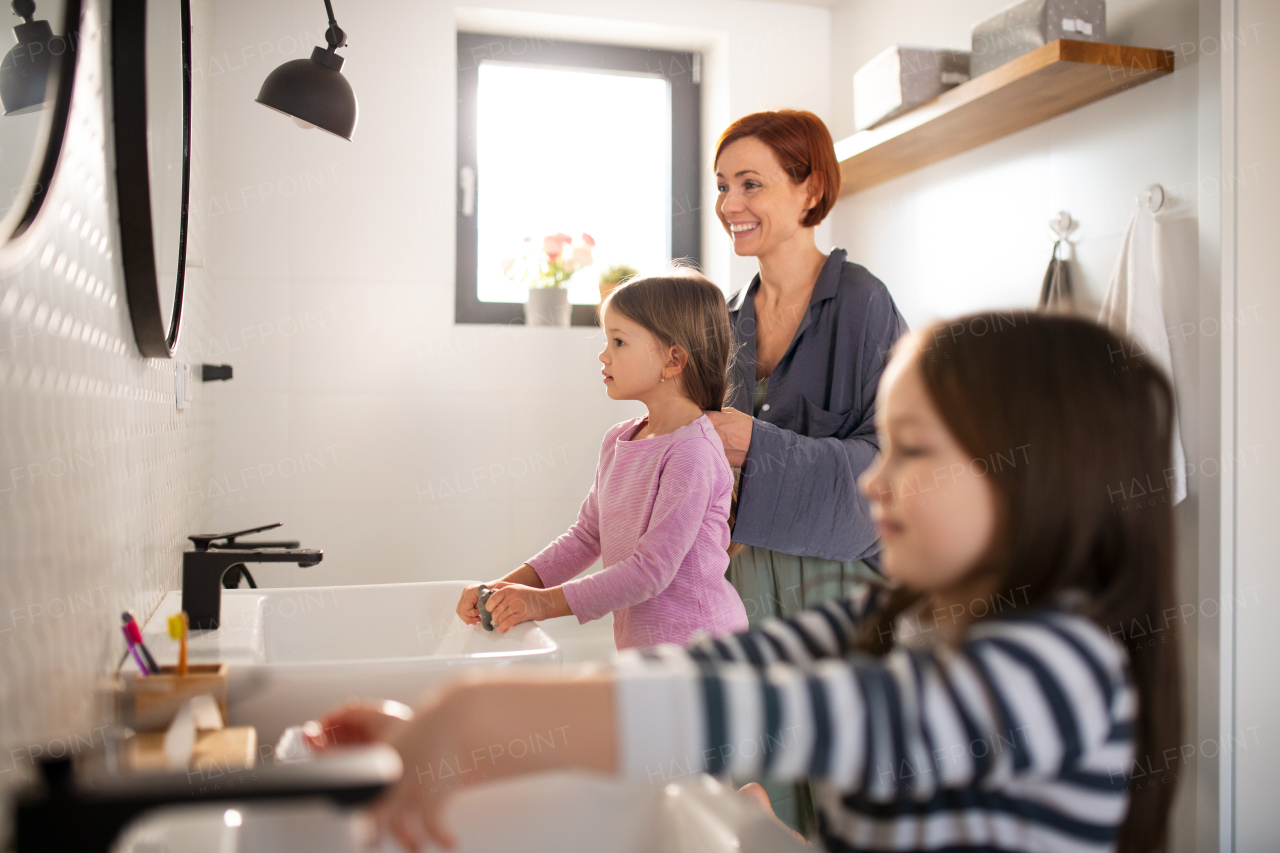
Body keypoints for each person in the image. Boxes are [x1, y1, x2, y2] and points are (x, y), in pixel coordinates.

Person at [314, 311, 1182, 853]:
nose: (870, 480)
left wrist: (474, 717)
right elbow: (733, 672)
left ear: (1028, 476)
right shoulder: (892, 619)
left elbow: (773, 707)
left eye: (910, 451)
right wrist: (444, 731)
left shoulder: (1061, 670)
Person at [707, 108, 909, 832]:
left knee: (851, 804)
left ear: (809, 187)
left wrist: (755, 445)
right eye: (723, 185)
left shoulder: (863, 306)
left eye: (751, 183)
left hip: (841, 603)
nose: (730, 204)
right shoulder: (725, 324)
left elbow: (896, 468)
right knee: (760, 807)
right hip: (742, 601)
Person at [454, 269, 748, 650]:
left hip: (702, 651)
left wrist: (543, 604)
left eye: (619, 341)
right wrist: (502, 589)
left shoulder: (693, 452)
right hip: (648, 651)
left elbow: (650, 571)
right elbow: (586, 537)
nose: (603, 354)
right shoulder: (619, 440)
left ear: (673, 360)